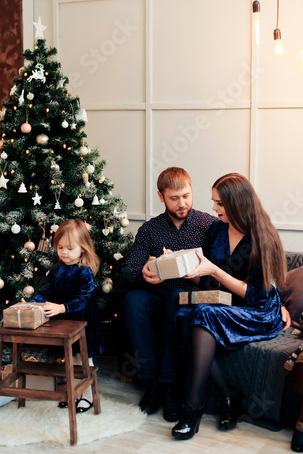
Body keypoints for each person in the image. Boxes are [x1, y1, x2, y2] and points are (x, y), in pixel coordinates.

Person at [170, 173, 288, 440]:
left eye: (220, 203)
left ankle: (192, 406)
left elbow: (256, 296)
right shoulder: (217, 229)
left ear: (238, 203)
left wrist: (215, 271)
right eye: (214, 202)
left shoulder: (263, 238)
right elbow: (209, 276)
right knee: (182, 315)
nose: (214, 209)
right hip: (225, 302)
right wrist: (188, 268)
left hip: (258, 311)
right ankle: (228, 393)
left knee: (201, 314)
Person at [119, 167, 217, 422]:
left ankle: (168, 385)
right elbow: (127, 273)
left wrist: (193, 272)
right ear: (162, 197)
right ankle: (151, 382)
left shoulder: (209, 225)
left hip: (190, 302)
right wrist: (145, 271)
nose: (182, 203)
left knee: (177, 295)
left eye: (186, 195)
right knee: (133, 299)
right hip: (157, 299)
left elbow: (219, 276)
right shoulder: (150, 230)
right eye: (174, 198)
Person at [22, 219, 104, 413]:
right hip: (66, 325)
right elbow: (46, 293)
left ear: (83, 248)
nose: (64, 252)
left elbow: (83, 300)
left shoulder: (85, 272)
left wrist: (61, 308)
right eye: (60, 247)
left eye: (70, 248)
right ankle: (72, 394)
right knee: (69, 360)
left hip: (83, 324)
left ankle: (87, 397)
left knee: (84, 361)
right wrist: (32, 303)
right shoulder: (56, 270)